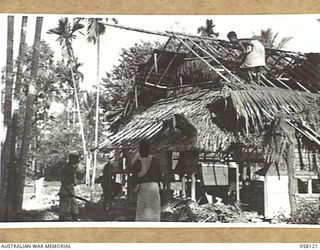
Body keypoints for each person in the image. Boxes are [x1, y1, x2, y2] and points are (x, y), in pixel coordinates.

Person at [131, 139, 162, 222]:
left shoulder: (138, 162)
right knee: (154, 211)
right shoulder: (155, 160)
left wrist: (134, 189)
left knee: (143, 212)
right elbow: (159, 175)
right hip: (154, 188)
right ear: (149, 149)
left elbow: (134, 177)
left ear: (140, 149)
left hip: (143, 188)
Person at [58, 151, 80, 221]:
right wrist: (67, 190)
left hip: (70, 186)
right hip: (65, 187)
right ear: (71, 159)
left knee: (73, 202)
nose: (77, 160)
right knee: (65, 202)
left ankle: (74, 217)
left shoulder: (72, 167)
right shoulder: (67, 167)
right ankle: (62, 218)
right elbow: (63, 180)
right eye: (76, 159)